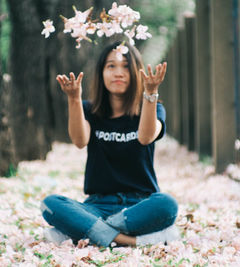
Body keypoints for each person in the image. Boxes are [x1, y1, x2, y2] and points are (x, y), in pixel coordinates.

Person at [41, 41, 178, 247]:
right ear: (101, 72)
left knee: (167, 204)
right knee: (49, 205)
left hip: (139, 206)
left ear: (135, 72)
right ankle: (129, 241)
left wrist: (150, 93)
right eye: (111, 66)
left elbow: (145, 137)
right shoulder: (89, 110)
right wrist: (74, 99)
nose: (118, 73)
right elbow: (80, 141)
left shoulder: (152, 109)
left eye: (125, 66)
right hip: (97, 205)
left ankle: (84, 231)